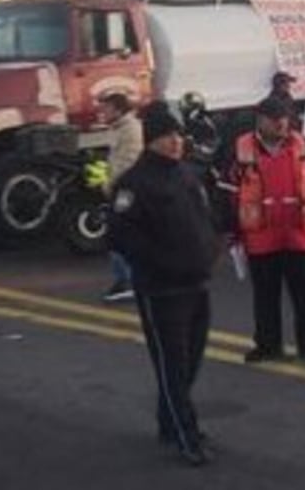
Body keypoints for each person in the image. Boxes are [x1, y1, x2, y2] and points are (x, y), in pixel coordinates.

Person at [107, 102, 220, 467]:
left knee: (192, 360)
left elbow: (205, 218)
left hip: (197, 281)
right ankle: (187, 434)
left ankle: (168, 419)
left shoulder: (187, 175)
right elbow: (122, 236)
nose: (175, 142)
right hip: (162, 289)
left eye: (177, 135)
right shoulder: (135, 184)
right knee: (172, 365)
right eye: (166, 136)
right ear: (151, 140)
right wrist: (162, 262)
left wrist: (211, 248)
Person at [229, 96, 305, 364]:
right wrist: (231, 229)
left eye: (284, 118)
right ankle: (268, 345)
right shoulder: (241, 148)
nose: (282, 124)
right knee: (265, 296)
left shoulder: (304, 144)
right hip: (260, 235)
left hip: (299, 233)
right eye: (275, 119)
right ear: (260, 120)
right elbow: (228, 191)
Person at [97, 92, 144, 302]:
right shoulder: (119, 129)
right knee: (119, 234)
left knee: (119, 234)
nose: (102, 113)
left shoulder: (130, 130)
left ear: (118, 109)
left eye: (106, 108)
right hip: (119, 190)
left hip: (125, 192)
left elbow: (127, 164)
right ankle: (125, 279)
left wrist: (111, 186)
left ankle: (128, 281)